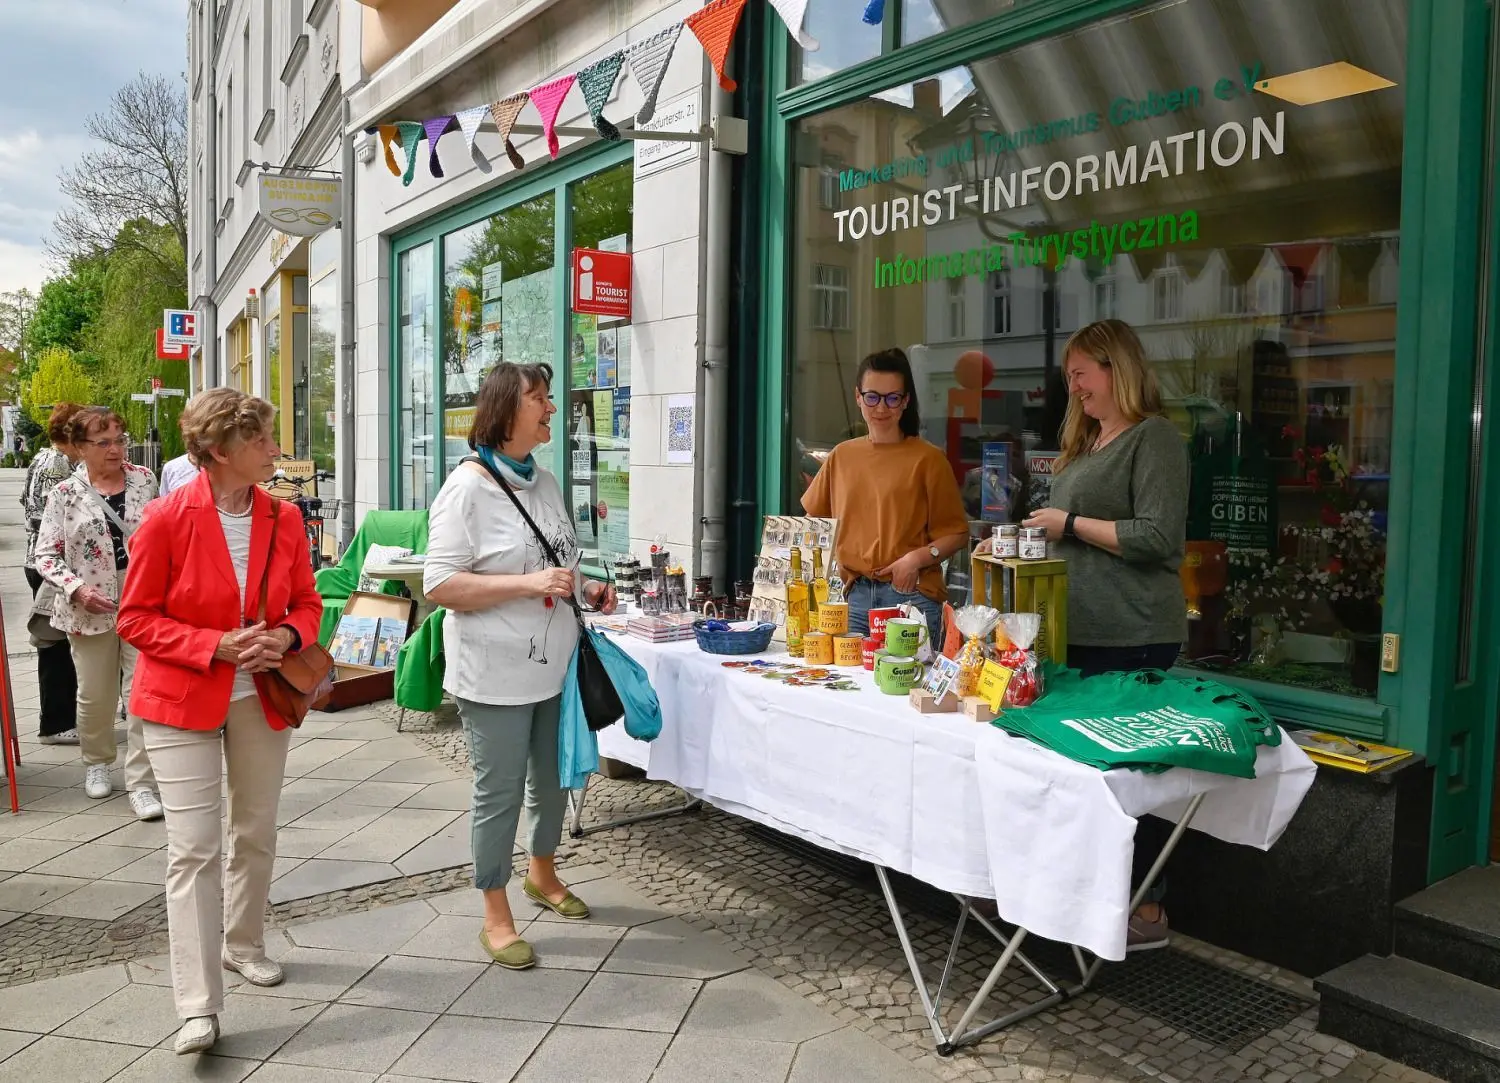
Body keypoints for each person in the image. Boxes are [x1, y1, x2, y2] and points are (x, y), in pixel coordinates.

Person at [116, 388, 321, 1056]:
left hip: (259, 696)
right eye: (261, 438)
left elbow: (308, 602)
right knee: (195, 848)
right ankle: (198, 1005)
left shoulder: (284, 518)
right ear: (219, 450)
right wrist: (212, 645)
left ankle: (244, 943)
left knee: (255, 831)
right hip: (179, 701)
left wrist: (287, 638)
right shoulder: (165, 518)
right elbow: (136, 618)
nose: (273, 448)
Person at [978, 318, 1189, 951]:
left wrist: (1068, 521)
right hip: (1077, 632)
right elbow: (1077, 534)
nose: (1073, 389)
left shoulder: (1155, 439)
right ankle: (1078, 904)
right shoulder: (1091, 443)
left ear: (1115, 366)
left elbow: (1157, 538)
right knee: (1077, 777)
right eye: (1070, 378)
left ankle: (1146, 911)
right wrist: (1019, 542)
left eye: (1080, 375)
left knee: (1125, 776)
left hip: (1134, 633)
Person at [424, 362, 617, 971]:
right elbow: (440, 584)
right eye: (540, 398)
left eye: (549, 397)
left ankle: (543, 874)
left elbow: (556, 557)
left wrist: (583, 590)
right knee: (499, 792)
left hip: (553, 666)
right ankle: (495, 912)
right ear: (507, 411)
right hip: (495, 673)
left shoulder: (546, 481)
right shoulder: (468, 488)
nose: (551, 409)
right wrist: (528, 582)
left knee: (555, 780)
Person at [35, 408, 162, 817]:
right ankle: (97, 763)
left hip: (142, 597)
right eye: (103, 442)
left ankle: (143, 782)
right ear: (80, 448)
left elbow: (165, 537)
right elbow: (46, 556)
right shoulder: (64, 493)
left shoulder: (144, 480)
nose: (115, 449)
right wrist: (78, 589)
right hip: (86, 602)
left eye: (120, 439)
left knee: (142, 691)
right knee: (95, 693)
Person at [800, 347, 969, 648]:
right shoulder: (842, 456)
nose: (881, 408)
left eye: (892, 398)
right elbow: (815, 523)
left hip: (909, 595)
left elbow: (957, 534)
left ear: (905, 402)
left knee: (906, 690)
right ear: (858, 397)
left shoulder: (928, 459)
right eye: (873, 396)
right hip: (854, 597)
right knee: (848, 690)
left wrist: (916, 558)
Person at [21, 403, 82, 745]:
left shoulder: (43, 458)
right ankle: (57, 723)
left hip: (40, 562)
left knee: (56, 645)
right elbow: (50, 518)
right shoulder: (57, 463)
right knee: (56, 645)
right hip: (49, 566)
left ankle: (60, 719)